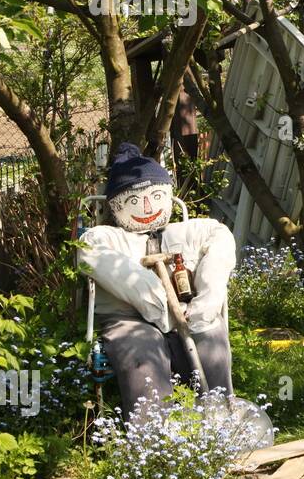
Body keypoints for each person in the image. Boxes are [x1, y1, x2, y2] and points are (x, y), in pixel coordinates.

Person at [78, 143, 237, 417]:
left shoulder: (196, 230)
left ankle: (218, 422)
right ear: (116, 206)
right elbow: (92, 255)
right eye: (135, 201)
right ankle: (153, 437)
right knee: (141, 354)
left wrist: (205, 304)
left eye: (156, 195)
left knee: (210, 338)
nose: (148, 206)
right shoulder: (104, 238)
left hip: (192, 311)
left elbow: (220, 247)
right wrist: (156, 301)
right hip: (129, 319)